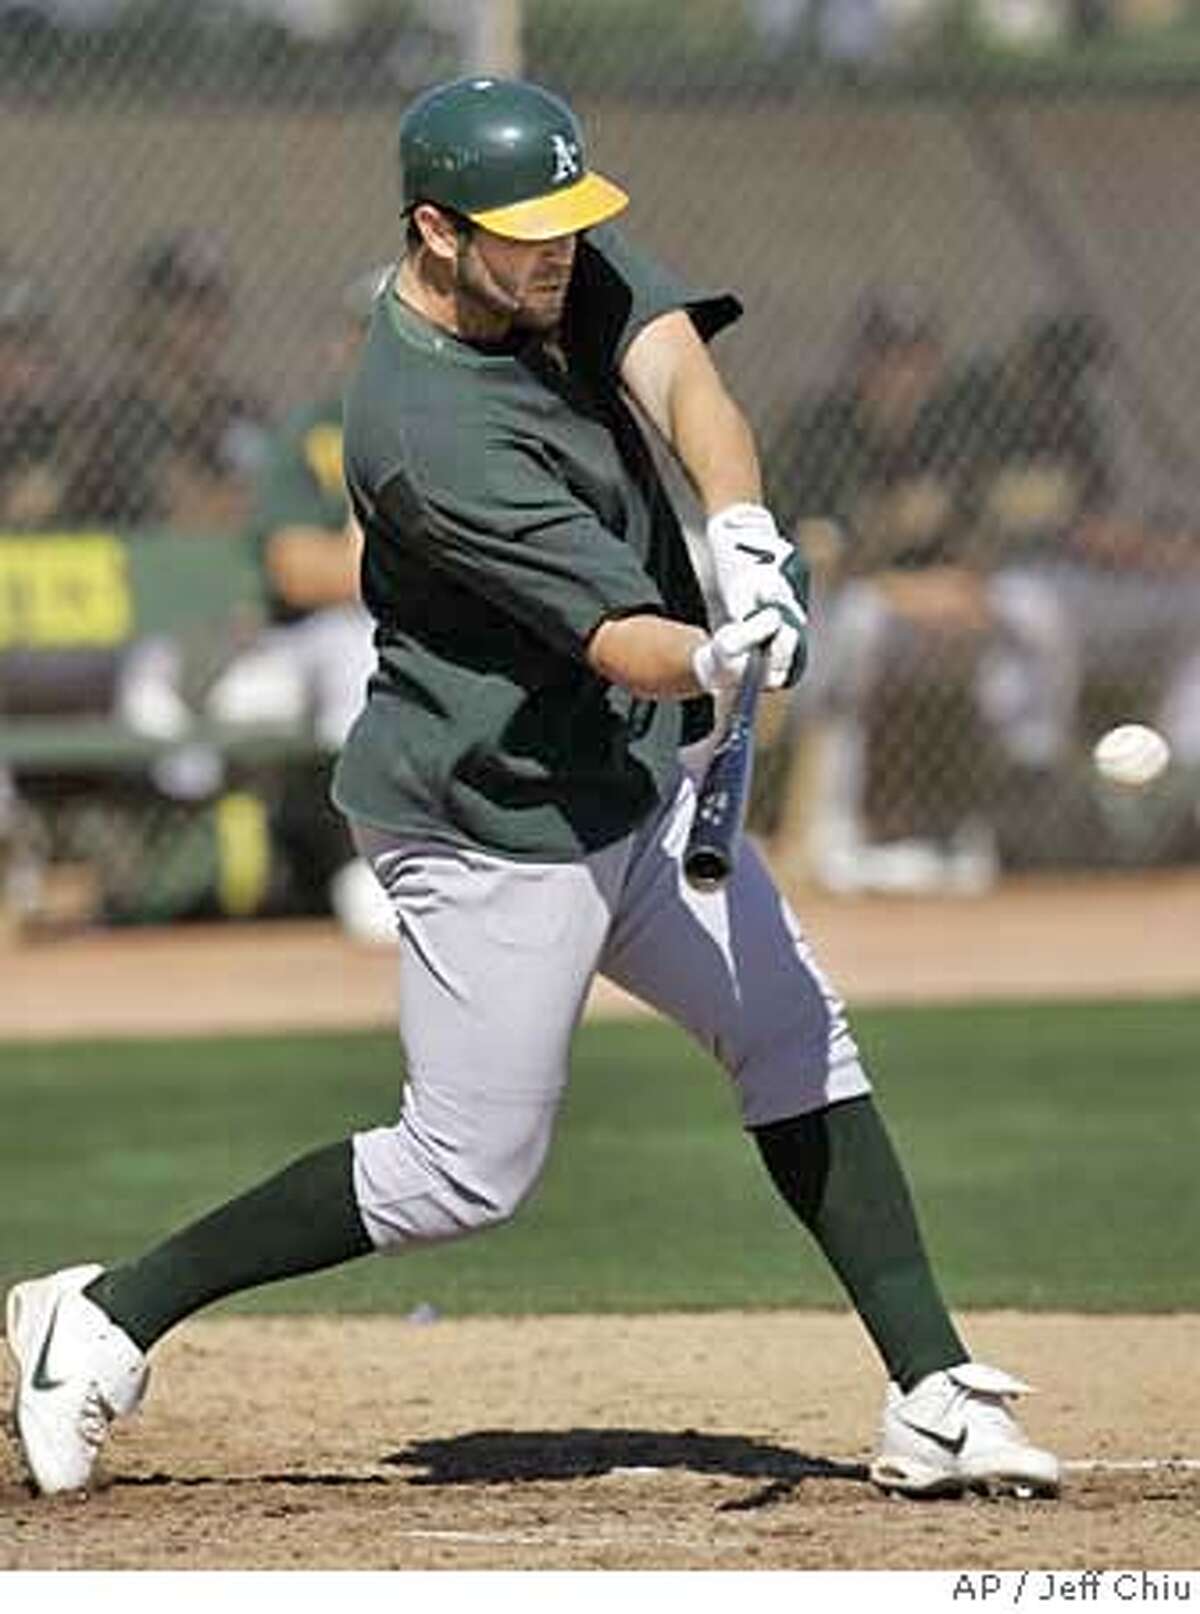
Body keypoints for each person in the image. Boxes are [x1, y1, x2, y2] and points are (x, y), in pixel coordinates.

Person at [4, 76, 1059, 1503]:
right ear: (434, 233)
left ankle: (930, 1390)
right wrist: (721, 650)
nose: (560, 249)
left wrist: (740, 527)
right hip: (491, 817)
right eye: (525, 231)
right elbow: (614, 633)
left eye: (569, 221)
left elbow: (683, 372)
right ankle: (108, 1310)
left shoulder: (544, 263)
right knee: (461, 1174)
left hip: (623, 773)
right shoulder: (424, 432)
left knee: (796, 1037)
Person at [766, 289, 1073, 892]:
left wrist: (967, 582)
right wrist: (904, 587)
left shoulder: (948, 431)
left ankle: (1027, 784)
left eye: (915, 357)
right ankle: (833, 824)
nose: (903, 372)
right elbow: (815, 555)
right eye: (890, 357)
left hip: (936, 602)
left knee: (1034, 609)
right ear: (863, 364)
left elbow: (978, 531)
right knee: (857, 624)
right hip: (845, 602)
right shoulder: (822, 431)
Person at [204, 266, 395, 942]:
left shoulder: (466, 423)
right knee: (355, 652)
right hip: (309, 636)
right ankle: (370, 864)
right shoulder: (315, 432)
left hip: (402, 621)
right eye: (372, 330)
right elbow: (299, 572)